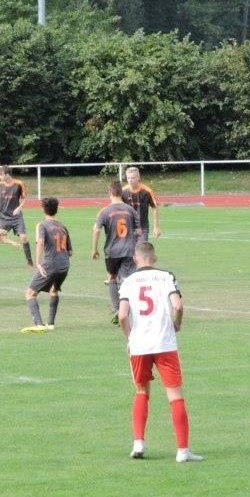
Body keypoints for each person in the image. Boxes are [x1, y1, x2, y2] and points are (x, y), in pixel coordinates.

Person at [118, 241, 202, 463]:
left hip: (139, 345)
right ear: (154, 259)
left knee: (141, 391)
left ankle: (138, 443)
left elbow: (122, 315)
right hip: (164, 344)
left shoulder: (128, 281)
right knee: (175, 395)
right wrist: (178, 323)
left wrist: (129, 338)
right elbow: (178, 306)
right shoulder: (166, 277)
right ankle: (182, 450)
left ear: (135, 259)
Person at [21, 197, 72, 333]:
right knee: (54, 290)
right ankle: (51, 324)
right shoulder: (63, 227)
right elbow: (70, 252)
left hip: (50, 265)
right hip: (64, 266)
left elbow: (41, 242)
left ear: (43, 209)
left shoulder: (42, 225)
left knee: (30, 293)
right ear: (56, 210)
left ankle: (39, 324)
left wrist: (38, 262)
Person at [92, 179, 140, 323]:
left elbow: (96, 230)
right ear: (121, 193)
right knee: (128, 280)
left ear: (110, 193)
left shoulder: (105, 211)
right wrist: (131, 240)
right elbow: (138, 231)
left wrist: (94, 249)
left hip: (112, 251)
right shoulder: (130, 210)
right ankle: (131, 309)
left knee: (112, 277)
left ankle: (118, 309)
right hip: (128, 250)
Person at [0, 166, 34, 266]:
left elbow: (24, 199)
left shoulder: (19, 184)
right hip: (3, 217)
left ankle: (29, 260)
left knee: (23, 237)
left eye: (1, 175)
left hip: (16, 218)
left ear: (7, 174)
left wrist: (19, 208)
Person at [122, 166, 161, 241]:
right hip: (127, 227)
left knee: (142, 248)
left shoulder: (147, 191)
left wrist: (156, 227)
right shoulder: (123, 191)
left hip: (142, 228)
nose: (130, 180)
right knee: (128, 249)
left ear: (138, 177)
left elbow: (155, 207)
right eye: (128, 178)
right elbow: (116, 207)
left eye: (133, 178)